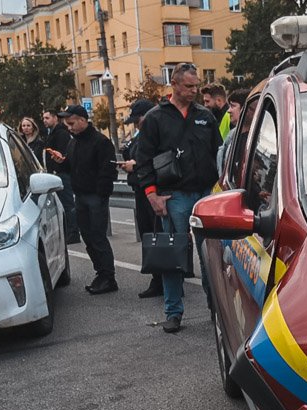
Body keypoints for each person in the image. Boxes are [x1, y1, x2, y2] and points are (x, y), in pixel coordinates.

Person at [135, 63, 222, 333]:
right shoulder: (155, 119)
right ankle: (173, 312)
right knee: (172, 256)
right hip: (174, 197)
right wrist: (152, 196)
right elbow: (143, 161)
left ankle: (216, 311)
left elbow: (218, 153)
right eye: (189, 86)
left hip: (205, 194)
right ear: (174, 84)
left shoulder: (205, 116)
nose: (194, 90)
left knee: (210, 258)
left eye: (196, 86)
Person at [54, 104, 118, 294]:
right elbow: (72, 167)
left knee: (98, 238)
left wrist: (101, 193)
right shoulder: (74, 142)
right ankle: (101, 273)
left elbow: (108, 171)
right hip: (80, 196)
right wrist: (62, 162)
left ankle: (108, 277)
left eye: (72, 123)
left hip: (95, 197)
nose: (69, 127)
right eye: (67, 124)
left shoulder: (100, 141)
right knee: (88, 238)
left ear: (83, 120)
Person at [120, 98, 162, 299]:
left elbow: (153, 162)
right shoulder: (143, 134)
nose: (136, 124)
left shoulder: (155, 133)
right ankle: (159, 277)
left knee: (154, 235)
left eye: (138, 119)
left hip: (150, 190)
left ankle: (162, 279)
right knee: (149, 234)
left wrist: (134, 166)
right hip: (141, 188)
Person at [41, 109, 80, 244]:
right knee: (62, 204)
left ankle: (73, 232)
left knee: (67, 203)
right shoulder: (52, 133)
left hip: (62, 173)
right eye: (43, 118)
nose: (44, 120)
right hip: (56, 173)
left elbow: (64, 155)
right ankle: (69, 231)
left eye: (47, 118)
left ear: (55, 118)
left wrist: (58, 163)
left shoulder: (61, 134)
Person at [216, 88, 248, 174]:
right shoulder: (232, 135)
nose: (228, 110)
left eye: (233, 106)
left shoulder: (253, 139)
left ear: (246, 109)